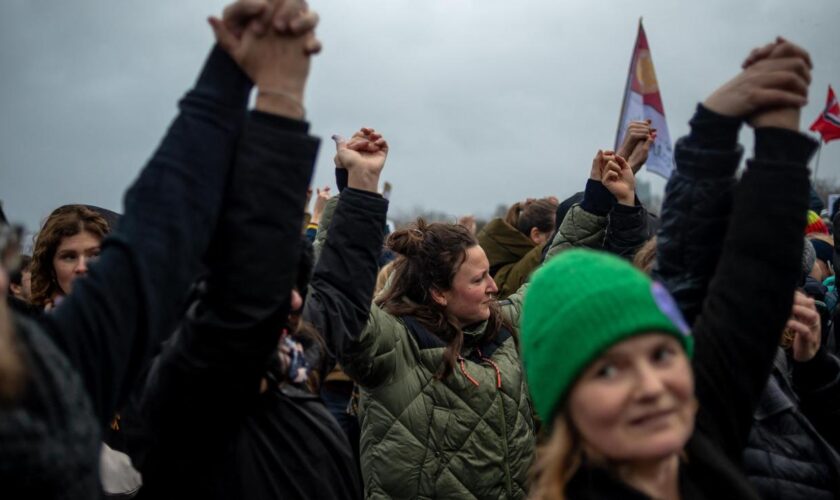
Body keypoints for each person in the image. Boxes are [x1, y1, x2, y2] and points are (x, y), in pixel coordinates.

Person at [0, 1, 320, 497]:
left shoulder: (40, 366)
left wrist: (242, 77)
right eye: (68, 256)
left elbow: (159, 231)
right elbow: (234, 315)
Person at [522, 37, 816, 499]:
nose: (652, 386)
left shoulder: (702, 444)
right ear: (564, 404)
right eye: (607, 372)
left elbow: (754, 279)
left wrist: (756, 132)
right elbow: (687, 269)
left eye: (662, 355)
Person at [307, 135, 544, 499]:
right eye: (479, 279)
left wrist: (607, 203)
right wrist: (358, 189)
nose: (495, 287)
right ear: (438, 292)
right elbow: (340, 296)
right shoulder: (392, 345)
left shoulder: (503, 325)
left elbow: (556, 275)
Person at [28, 204, 110, 309]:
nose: (82, 267)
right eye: (69, 257)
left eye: (95, 255)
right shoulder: (27, 323)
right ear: (51, 268)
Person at [478, 197, 557, 298]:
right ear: (536, 235)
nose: (560, 239)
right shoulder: (530, 263)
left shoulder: (508, 255)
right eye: (556, 234)